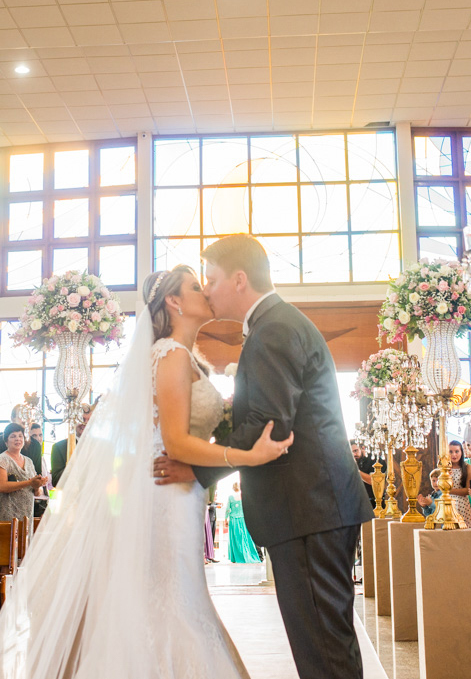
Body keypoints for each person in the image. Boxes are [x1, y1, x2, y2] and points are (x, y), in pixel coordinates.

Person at [0, 262, 292, 679]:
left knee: (175, 596)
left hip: (180, 491)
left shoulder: (184, 357)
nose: (205, 291)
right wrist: (248, 456)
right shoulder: (170, 354)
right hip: (165, 492)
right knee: (171, 600)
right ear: (173, 301)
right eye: (195, 286)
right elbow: (174, 443)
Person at [156, 237, 373, 679]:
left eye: (212, 280)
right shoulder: (275, 324)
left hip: (309, 508)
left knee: (323, 648)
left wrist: (198, 467)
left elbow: (270, 425)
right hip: (312, 507)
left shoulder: (273, 329)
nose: (209, 291)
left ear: (239, 279)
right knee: (325, 641)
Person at [0, 422, 45, 523]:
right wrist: (29, 483)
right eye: (13, 436)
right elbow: (1, 486)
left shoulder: (29, 461)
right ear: (6, 442)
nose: (18, 439)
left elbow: (37, 492)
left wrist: (38, 485)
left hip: (27, 514)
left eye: (20, 436)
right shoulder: (2, 459)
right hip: (8, 515)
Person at [50, 403, 92, 486]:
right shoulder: (59, 447)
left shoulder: (98, 446)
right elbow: (55, 481)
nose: (85, 424)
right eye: (82, 419)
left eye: (89, 420)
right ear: (74, 420)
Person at [446, 439, 471, 528]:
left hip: (462, 503)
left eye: (456, 451)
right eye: (451, 452)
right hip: (447, 502)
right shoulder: (444, 467)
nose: (454, 455)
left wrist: (449, 491)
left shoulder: (467, 467)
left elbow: (468, 490)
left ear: (461, 452)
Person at [226, 483, 261, 563]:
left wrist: (225, 518)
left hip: (234, 519)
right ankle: (248, 554)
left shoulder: (231, 497)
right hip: (243, 518)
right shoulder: (243, 497)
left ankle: (236, 557)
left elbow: (228, 509)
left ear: (233, 488)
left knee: (235, 538)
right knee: (245, 537)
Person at [352, 440, 377, 508]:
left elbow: (374, 481)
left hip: (373, 503)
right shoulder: (350, 462)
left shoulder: (373, 459)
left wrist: (356, 470)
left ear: (362, 448)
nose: (354, 454)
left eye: (355, 451)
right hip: (356, 503)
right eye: (351, 452)